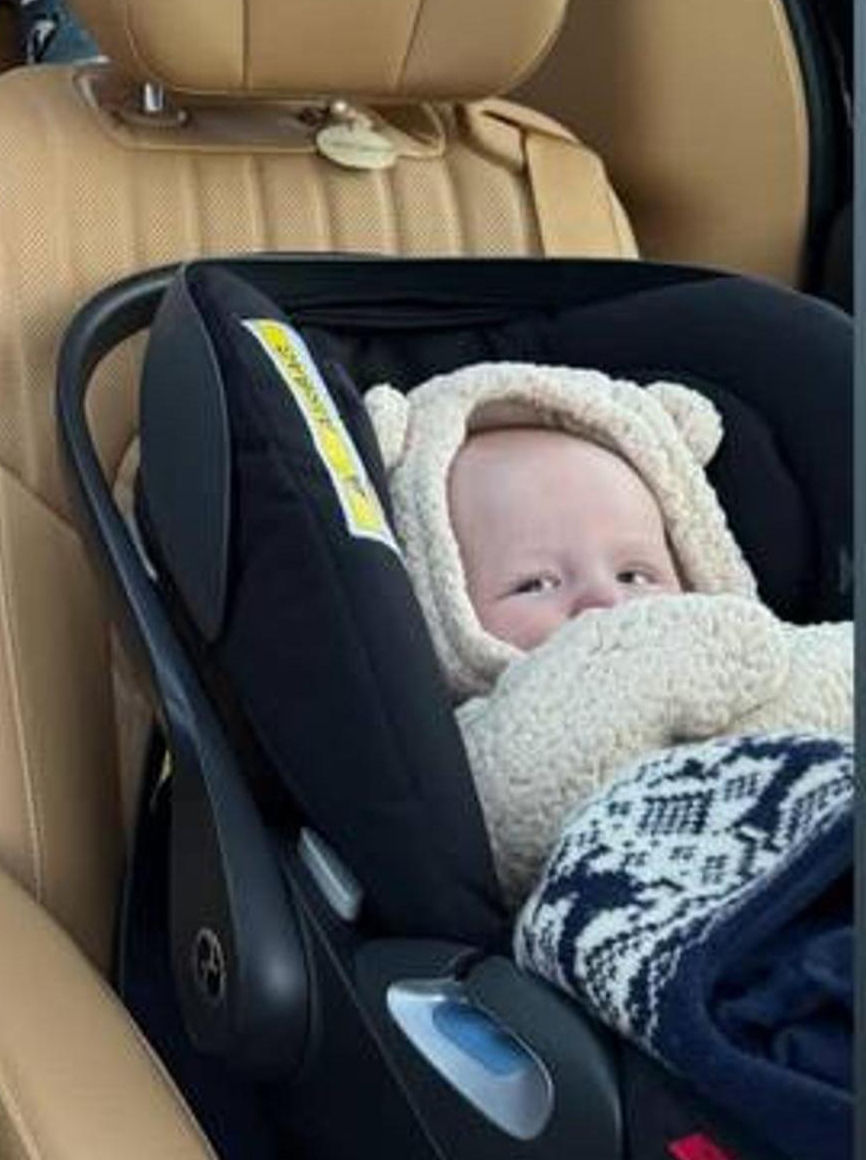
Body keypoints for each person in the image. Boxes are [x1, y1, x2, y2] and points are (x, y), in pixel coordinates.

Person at [365, 359, 852, 903]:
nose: (603, 600)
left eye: (634, 575)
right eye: (535, 583)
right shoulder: (463, 760)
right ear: (441, 608)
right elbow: (512, 806)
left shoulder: (770, 653)